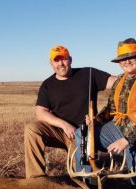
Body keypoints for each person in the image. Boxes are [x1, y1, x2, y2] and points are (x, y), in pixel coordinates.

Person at [75, 38, 136, 189]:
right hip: (119, 129)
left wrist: (125, 140)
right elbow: (111, 108)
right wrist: (95, 121)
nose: (126, 62)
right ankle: (86, 182)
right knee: (83, 133)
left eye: (131, 57)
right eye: (123, 59)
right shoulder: (120, 80)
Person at [24, 45, 117, 178]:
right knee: (31, 129)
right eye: (56, 60)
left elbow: (117, 82)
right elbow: (41, 112)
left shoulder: (88, 74)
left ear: (71, 60)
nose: (60, 64)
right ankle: (36, 179)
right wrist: (64, 125)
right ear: (51, 63)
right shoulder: (47, 85)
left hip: (82, 134)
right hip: (59, 131)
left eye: (64, 59)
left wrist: (133, 78)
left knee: (81, 177)